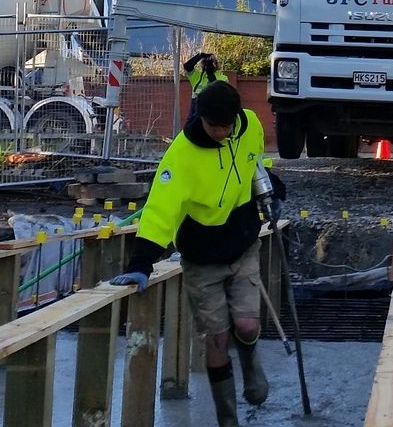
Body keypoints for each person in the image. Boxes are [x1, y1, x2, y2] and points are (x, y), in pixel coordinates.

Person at [108, 80, 283, 427]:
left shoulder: (249, 126)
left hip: (244, 242)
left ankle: (251, 365)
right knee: (216, 340)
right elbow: (160, 210)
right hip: (202, 257)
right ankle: (228, 419)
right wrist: (141, 262)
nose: (220, 132)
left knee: (247, 325)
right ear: (200, 117)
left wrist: (273, 190)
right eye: (213, 125)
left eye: (226, 125)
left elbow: (253, 164)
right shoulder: (182, 155)